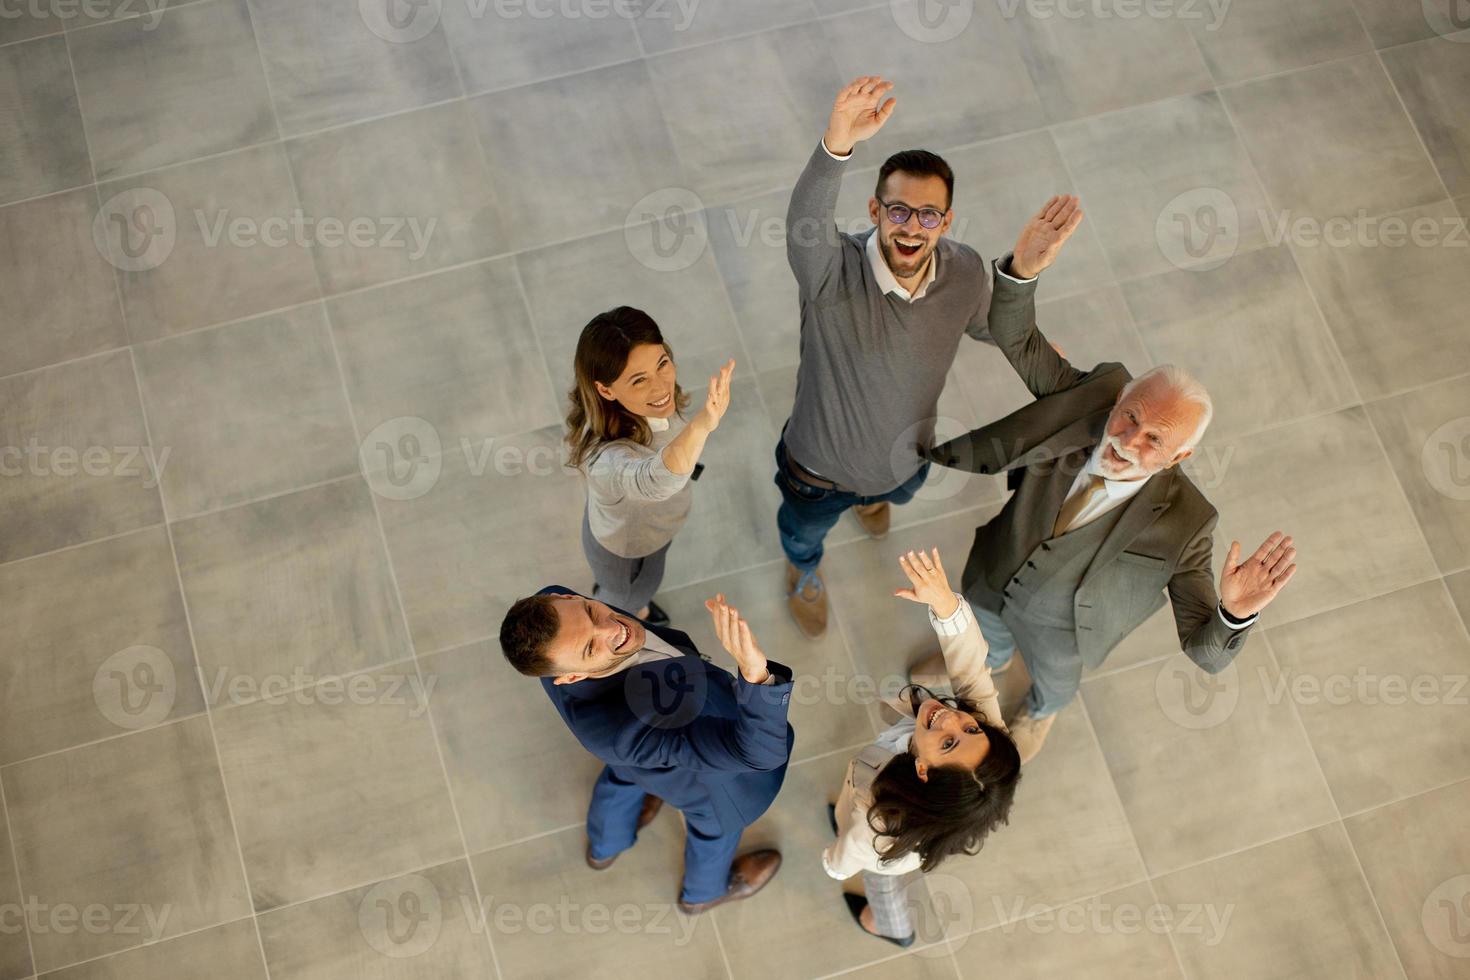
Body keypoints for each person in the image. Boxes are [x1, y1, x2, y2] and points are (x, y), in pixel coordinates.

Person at [918, 195, 1300, 762]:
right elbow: (1016, 337)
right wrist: (1023, 271)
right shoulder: (1089, 397)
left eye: (1155, 440)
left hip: (1066, 635)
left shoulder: (1189, 525)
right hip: (994, 573)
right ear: (1119, 397)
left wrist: (1234, 611)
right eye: (1131, 416)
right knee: (984, 635)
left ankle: (1040, 712)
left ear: (1179, 457)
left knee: (1053, 685)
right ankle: (987, 663)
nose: (1129, 440)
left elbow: (1206, 653)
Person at [777, 75, 996, 639]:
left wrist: (1029, 344)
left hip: (904, 462)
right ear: (875, 209)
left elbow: (983, 322)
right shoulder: (831, 271)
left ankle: (874, 502)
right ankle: (802, 571)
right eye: (898, 211)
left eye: (928, 216)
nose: (911, 227)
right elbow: (804, 224)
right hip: (818, 474)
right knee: (802, 535)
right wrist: (836, 144)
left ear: (945, 223)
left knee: (892, 491)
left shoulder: (965, 269)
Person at [498, 586, 794, 914]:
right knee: (715, 830)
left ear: (569, 600)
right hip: (706, 783)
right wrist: (756, 676)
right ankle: (703, 893)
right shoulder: (629, 732)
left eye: (593, 613)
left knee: (627, 772)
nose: (615, 629)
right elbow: (759, 755)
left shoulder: (552, 613)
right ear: (570, 677)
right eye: (591, 647)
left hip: (640, 753)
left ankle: (606, 845)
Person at [824, 547, 1021, 946]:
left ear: (923, 771)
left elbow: (849, 856)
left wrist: (833, 863)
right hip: (926, 817)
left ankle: (892, 928)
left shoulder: (879, 823)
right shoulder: (987, 741)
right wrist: (947, 607)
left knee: (881, 880)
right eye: (970, 730)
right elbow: (971, 671)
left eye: (948, 743)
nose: (954, 719)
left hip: (886, 846)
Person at [565, 306, 735, 625]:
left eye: (662, 364)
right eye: (639, 380)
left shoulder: (625, 405)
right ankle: (635, 613)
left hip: (633, 527)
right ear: (605, 389)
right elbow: (655, 481)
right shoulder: (607, 461)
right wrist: (702, 425)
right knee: (623, 601)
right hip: (628, 553)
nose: (661, 388)